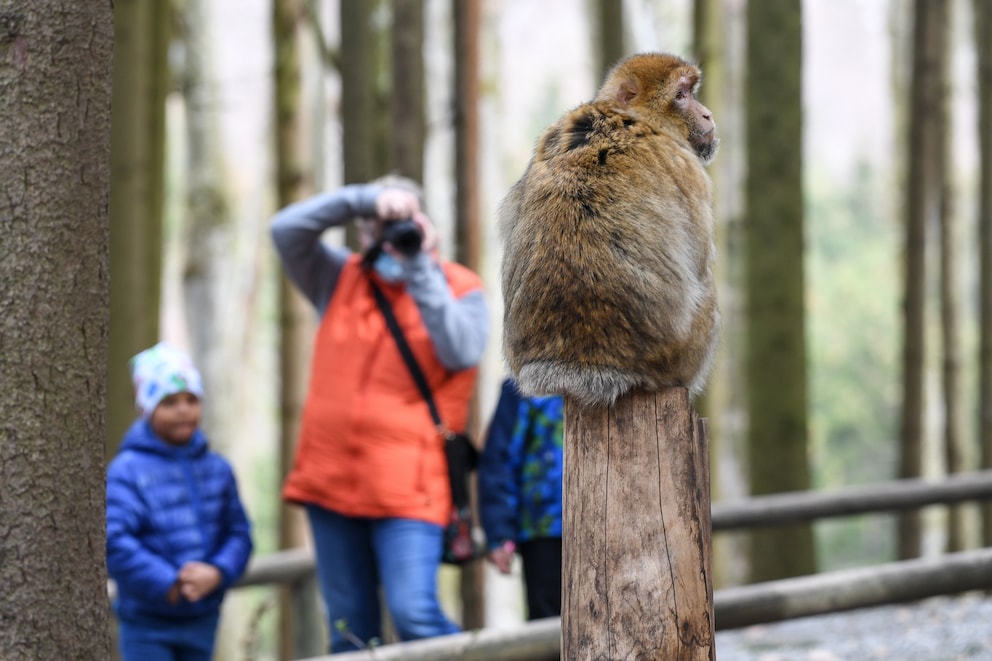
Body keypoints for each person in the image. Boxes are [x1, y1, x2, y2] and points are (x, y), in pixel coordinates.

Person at [270, 176, 489, 652]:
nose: (389, 235)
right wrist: (361, 201)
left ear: (424, 224)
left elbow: (460, 350)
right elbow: (285, 230)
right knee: (350, 630)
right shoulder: (340, 276)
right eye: (378, 226)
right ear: (365, 231)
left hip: (409, 492)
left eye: (400, 224)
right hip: (330, 486)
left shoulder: (461, 286)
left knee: (415, 615)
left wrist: (421, 266)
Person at [106, 342, 254, 661]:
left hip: (203, 619)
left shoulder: (217, 468)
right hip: (146, 623)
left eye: (191, 399)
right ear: (147, 408)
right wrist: (168, 582)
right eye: (170, 402)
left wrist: (216, 572)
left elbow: (239, 533)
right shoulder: (127, 471)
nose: (184, 410)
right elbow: (114, 539)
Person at [478, 377, 564, 621]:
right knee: (548, 622)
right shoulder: (524, 385)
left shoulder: (625, 374)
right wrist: (501, 534)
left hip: (611, 527)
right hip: (543, 529)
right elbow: (499, 462)